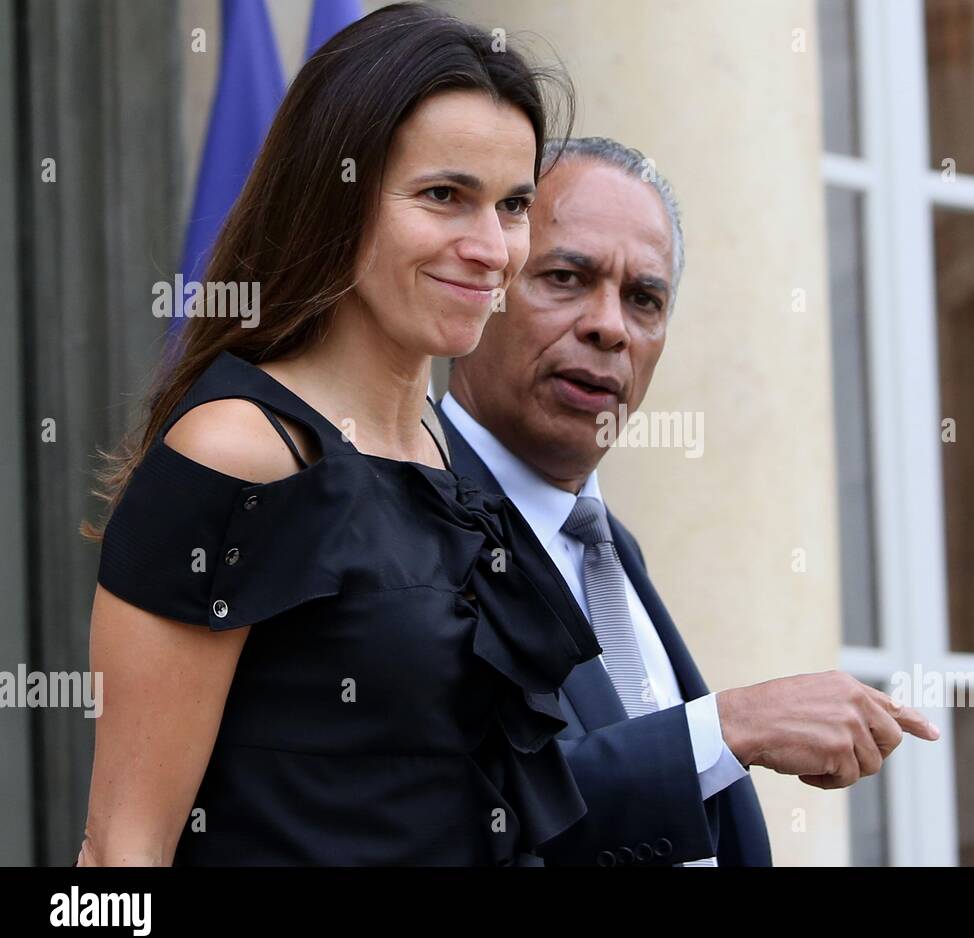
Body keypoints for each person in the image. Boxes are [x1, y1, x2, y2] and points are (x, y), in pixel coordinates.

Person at [77, 3, 597, 866]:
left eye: (513, 205)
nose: (490, 246)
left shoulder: (447, 453)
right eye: (443, 196)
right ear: (336, 195)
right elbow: (122, 849)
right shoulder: (238, 453)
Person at [436, 137, 942, 867]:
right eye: (567, 277)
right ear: (483, 285)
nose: (610, 326)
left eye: (644, 299)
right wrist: (730, 729)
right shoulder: (405, 518)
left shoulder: (608, 546)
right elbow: (471, 817)